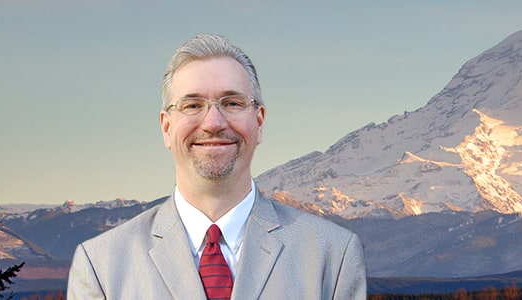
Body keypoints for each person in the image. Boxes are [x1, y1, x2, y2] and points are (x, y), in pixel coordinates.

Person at [67, 34, 366, 299]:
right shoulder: (101, 266)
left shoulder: (333, 256)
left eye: (232, 103)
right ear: (166, 127)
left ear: (259, 122)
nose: (213, 122)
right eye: (192, 105)